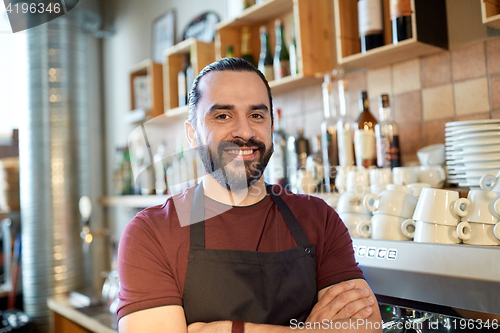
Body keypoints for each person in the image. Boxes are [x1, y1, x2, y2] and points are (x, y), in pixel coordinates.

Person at [117, 58, 382, 332]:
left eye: (256, 115)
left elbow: (366, 326)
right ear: (192, 134)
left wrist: (229, 330)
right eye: (222, 115)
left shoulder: (319, 218)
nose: (244, 132)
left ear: (271, 127)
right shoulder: (152, 233)